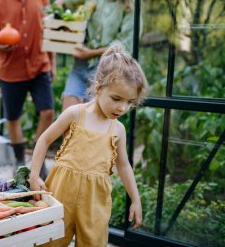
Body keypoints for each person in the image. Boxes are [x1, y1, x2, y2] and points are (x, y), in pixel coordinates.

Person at [30, 43, 147, 246]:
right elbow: (45, 139)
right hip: (60, 192)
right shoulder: (75, 113)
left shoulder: (118, 130)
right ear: (98, 87)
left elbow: (124, 165)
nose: (122, 107)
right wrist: (34, 175)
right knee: (49, 241)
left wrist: (135, 199)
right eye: (117, 98)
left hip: (95, 203)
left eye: (130, 102)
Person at [0, 0, 55, 176]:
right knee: (13, 117)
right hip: (11, 68)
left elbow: (49, 29)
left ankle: (39, 159)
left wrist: (52, 63)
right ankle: (20, 160)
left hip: (39, 63)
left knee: (48, 112)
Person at [55, 0, 141, 111]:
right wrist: (65, 25)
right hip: (80, 66)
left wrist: (91, 53)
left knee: (92, 121)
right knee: (68, 116)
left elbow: (123, 44)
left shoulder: (130, 7)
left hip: (105, 70)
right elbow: (63, 2)